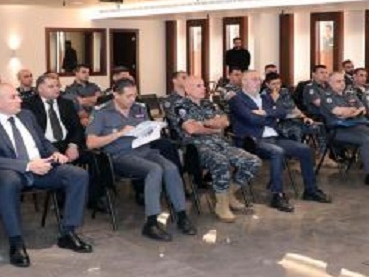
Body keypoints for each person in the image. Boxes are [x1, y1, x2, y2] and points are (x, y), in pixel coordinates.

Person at [0, 83, 93, 267]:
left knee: (78, 175)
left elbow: (42, 141)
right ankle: (16, 242)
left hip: (42, 166)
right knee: (8, 181)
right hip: (11, 171)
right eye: (13, 97)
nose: (20, 100)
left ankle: (68, 232)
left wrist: (54, 153)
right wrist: (27, 165)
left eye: (18, 96)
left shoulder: (26, 115)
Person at [86, 79, 197, 241]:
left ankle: (182, 215)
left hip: (144, 151)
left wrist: (153, 130)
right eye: (128, 96)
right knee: (155, 170)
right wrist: (118, 134)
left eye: (135, 95)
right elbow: (91, 143)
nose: (132, 99)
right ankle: (151, 222)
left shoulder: (140, 108)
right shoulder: (101, 112)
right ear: (116, 94)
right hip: (119, 156)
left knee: (171, 168)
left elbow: (146, 131)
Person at [230, 70, 329, 211]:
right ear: (244, 82)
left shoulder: (265, 98)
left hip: (274, 137)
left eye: (259, 80)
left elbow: (282, 112)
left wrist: (265, 112)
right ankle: (277, 195)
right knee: (277, 152)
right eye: (254, 79)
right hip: (252, 140)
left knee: (305, 149)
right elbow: (251, 119)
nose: (258, 82)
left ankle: (310, 190)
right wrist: (271, 116)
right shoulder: (237, 99)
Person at [176, 76, 260, 223]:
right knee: (221, 161)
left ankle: (228, 193)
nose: (203, 88)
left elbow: (225, 122)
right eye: (198, 86)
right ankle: (222, 206)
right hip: (197, 147)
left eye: (203, 85)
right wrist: (213, 127)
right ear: (187, 89)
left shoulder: (209, 104)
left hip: (221, 143)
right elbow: (191, 129)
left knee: (253, 161)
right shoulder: (181, 106)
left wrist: (203, 123)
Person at [318, 72, 369, 188]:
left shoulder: (349, 94)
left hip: (356, 126)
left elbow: (363, 109)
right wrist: (353, 111)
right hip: (337, 130)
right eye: (338, 81)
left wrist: (350, 112)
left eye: (343, 81)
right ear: (330, 83)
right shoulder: (327, 97)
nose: (342, 83)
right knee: (366, 140)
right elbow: (338, 112)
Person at [23, 74, 85, 162]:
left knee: (92, 157)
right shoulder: (28, 105)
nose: (56, 89)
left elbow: (77, 127)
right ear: (40, 89)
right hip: (44, 147)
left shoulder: (66, 104)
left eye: (57, 86)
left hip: (67, 143)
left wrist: (73, 145)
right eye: (51, 86)